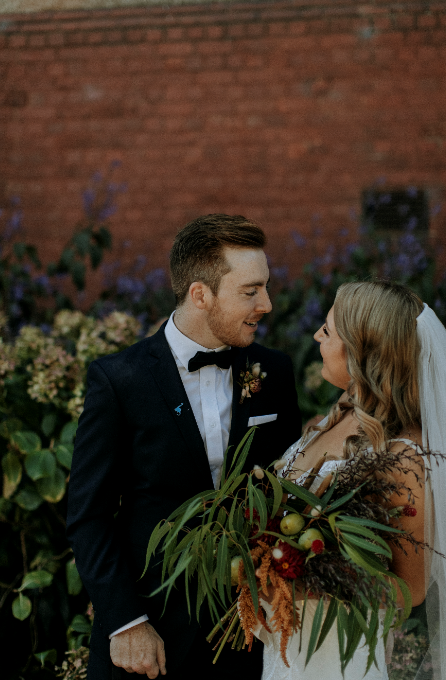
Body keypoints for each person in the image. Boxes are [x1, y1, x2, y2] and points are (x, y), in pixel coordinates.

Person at [66, 214, 301, 679]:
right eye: (251, 291)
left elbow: (288, 490)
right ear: (201, 294)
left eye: (266, 288)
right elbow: (88, 514)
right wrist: (126, 623)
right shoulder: (119, 380)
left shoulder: (273, 371)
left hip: (248, 636)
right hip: (148, 639)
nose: (267, 304)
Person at [257, 280, 446, 680]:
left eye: (327, 331)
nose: (315, 336)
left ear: (362, 350)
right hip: (284, 647)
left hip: (340, 659)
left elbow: (409, 589)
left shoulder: (403, 456)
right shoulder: (329, 420)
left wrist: (313, 581)